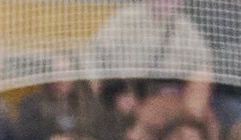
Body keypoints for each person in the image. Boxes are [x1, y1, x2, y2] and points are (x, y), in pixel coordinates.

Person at [86, 0, 214, 84]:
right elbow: (94, 53)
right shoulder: (126, 19)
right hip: (126, 92)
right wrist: (101, 87)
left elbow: (204, 62)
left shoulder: (183, 26)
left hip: (166, 95)